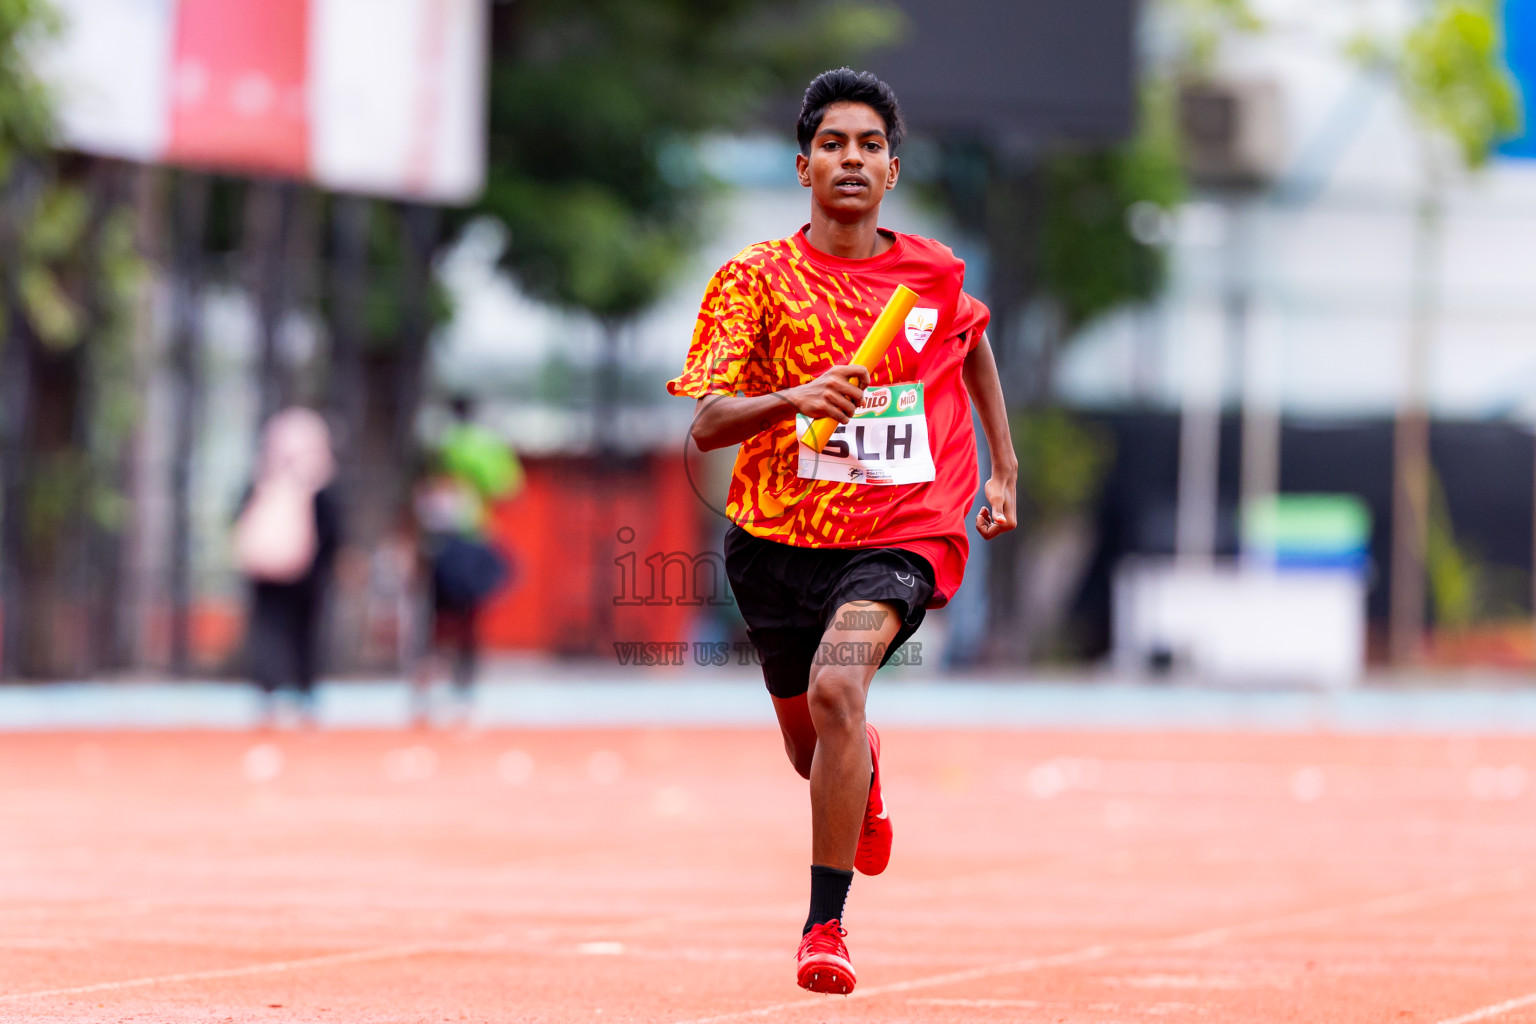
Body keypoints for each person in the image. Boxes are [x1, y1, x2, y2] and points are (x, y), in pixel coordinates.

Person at [667, 68, 1016, 994]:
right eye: (833, 145)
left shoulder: (932, 274)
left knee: (835, 688)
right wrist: (796, 398)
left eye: (870, 146)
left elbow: (971, 344)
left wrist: (1004, 467)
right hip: (775, 541)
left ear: (893, 169)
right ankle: (864, 773)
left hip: (900, 532)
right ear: (803, 167)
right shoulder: (754, 280)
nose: (851, 159)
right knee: (811, 744)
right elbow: (708, 423)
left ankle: (825, 928)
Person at [412, 397, 522, 723]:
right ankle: (463, 692)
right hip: (472, 540)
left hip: (438, 541)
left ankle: (427, 691)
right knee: (467, 622)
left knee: (434, 621)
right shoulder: (485, 445)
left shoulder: (437, 443)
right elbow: (508, 489)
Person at [234, 408, 342, 725]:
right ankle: (289, 694)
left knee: (282, 633)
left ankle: (283, 694)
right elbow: (333, 532)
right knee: (288, 634)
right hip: (291, 577)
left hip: (290, 577)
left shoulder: (264, 482)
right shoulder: (296, 485)